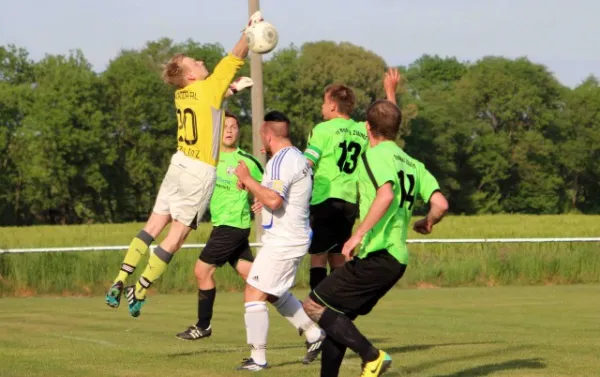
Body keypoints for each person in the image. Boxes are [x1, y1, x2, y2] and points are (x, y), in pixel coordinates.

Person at [104, 12, 265, 317]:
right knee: (175, 237)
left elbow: (208, 105)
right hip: (199, 171)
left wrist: (230, 90)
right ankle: (140, 289)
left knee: (152, 226)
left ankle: (120, 279)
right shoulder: (208, 87)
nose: (202, 62)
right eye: (196, 63)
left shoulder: (182, 94)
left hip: (178, 164)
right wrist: (250, 30)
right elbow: (236, 55)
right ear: (191, 75)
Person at [302, 99, 449, 377]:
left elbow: (386, 194)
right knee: (338, 317)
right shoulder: (414, 163)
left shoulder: (374, 155)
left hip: (377, 255)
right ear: (396, 129)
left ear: (368, 127)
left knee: (314, 305)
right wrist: (428, 221)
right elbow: (440, 203)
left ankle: (372, 356)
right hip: (397, 259)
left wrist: (358, 234)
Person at [233, 111, 326, 371]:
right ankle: (313, 335)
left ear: (268, 135)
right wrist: (253, 187)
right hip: (291, 237)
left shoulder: (280, 162)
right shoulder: (295, 157)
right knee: (273, 293)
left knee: (253, 292)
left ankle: (259, 358)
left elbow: (274, 200)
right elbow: (276, 195)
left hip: (284, 240)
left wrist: (248, 178)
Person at [304, 69, 402, 292]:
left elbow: (306, 164)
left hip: (325, 198)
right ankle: (337, 305)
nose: (321, 107)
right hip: (350, 202)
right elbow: (387, 123)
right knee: (338, 258)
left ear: (331, 105)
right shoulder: (361, 129)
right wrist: (390, 92)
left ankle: (317, 309)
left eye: (323, 102)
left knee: (318, 256)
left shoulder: (322, 130)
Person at [175, 111, 263, 341]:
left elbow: (270, 186)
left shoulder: (246, 161)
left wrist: (261, 199)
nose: (230, 130)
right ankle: (307, 323)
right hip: (222, 226)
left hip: (232, 226)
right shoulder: (209, 159)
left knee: (202, 270)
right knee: (257, 280)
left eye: (234, 126)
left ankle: (203, 325)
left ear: (239, 131)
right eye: (225, 126)